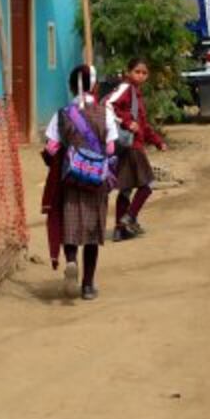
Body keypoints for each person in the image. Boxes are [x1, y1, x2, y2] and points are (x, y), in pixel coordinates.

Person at [40, 64, 118, 299]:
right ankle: (87, 285)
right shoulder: (106, 113)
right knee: (93, 233)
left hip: (71, 179)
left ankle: (71, 260)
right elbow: (112, 147)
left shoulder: (62, 114)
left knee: (71, 227)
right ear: (94, 86)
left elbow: (51, 148)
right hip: (96, 181)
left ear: (72, 86)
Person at [105, 59, 167, 240]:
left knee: (125, 189)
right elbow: (108, 105)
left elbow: (143, 125)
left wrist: (157, 141)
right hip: (131, 146)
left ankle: (119, 230)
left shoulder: (136, 94)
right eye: (137, 72)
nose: (140, 75)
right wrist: (126, 122)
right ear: (128, 72)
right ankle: (129, 218)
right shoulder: (126, 88)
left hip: (130, 145)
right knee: (147, 186)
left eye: (144, 73)